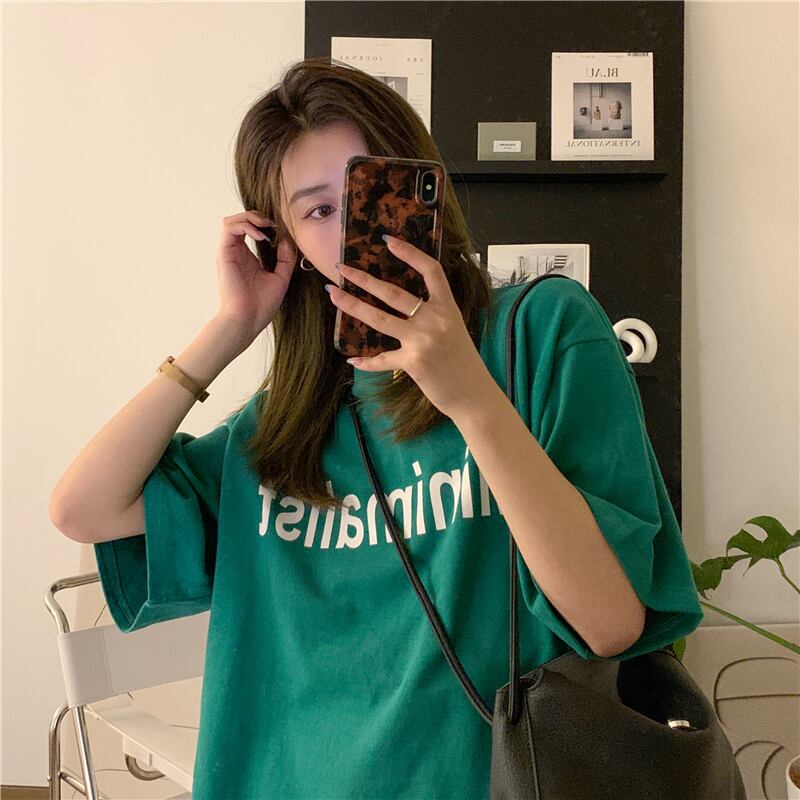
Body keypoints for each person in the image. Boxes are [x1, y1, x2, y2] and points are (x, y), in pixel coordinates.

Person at [48, 56, 703, 800]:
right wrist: (231, 326)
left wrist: (471, 400)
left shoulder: (542, 334)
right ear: (285, 246)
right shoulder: (282, 425)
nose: (360, 229)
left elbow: (611, 623)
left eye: (372, 193)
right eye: (319, 211)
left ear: (425, 189)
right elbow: (82, 508)